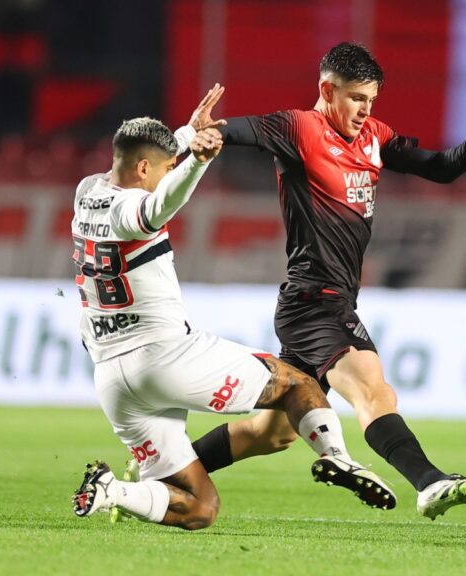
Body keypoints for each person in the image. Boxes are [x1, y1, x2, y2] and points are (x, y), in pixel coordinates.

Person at [182, 42, 466, 520]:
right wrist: (208, 133)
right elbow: (241, 130)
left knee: (270, 434)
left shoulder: (375, 136)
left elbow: (438, 170)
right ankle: (431, 481)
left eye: (371, 100)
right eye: (357, 98)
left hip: (322, 303)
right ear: (327, 90)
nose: (365, 110)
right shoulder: (299, 128)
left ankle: (164, 472)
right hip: (315, 301)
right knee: (374, 390)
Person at [70, 92, 396, 531]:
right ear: (144, 169)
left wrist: (187, 134)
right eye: (162, 169)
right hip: (164, 357)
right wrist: (195, 163)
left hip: (113, 378)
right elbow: (156, 207)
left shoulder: (87, 191)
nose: (167, 173)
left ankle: (114, 491)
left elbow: (149, 170)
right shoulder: (131, 210)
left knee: (198, 507)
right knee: (296, 385)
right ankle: (339, 458)